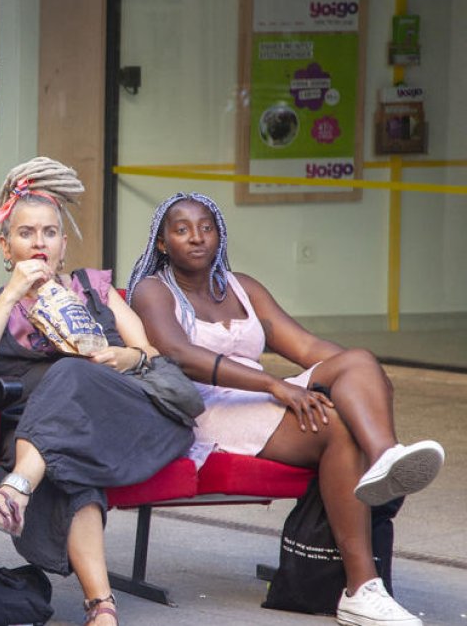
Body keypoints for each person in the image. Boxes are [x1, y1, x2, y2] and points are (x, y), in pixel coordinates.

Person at [127, 192, 445, 626]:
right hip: (205, 409)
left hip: (262, 396)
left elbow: (308, 347)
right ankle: (360, 589)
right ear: (162, 243)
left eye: (207, 228)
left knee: (360, 360)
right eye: (182, 230)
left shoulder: (244, 287)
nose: (197, 238)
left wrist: (369, 380)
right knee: (337, 428)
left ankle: (385, 457)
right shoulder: (152, 290)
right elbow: (180, 355)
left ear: (220, 235)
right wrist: (275, 386)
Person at [0, 157, 194, 626]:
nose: (38, 243)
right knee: (68, 466)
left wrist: (128, 357)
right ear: (5, 245)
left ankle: (15, 493)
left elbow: (147, 353)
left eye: (49, 232)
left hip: (125, 421)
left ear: (64, 244)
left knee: (72, 373)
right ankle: (101, 607)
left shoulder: (96, 289)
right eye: (26, 233)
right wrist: (10, 296)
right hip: (42, 436)